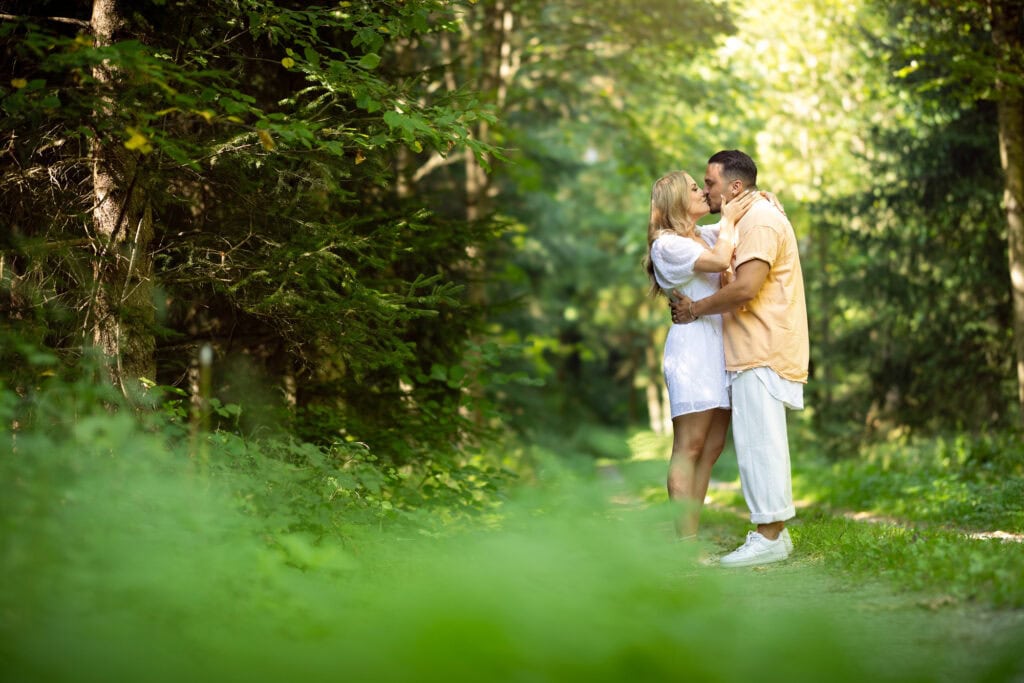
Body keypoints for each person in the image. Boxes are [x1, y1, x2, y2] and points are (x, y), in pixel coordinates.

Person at [670, 150, 809, 568]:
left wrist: (694, 309)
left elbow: (746, 288)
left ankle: (769, 536)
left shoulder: (760, 220)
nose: (705, 189)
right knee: (753, 444)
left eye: (709, 183)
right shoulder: (746, 218)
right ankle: (772, 534)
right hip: (748, 349)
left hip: (761, 347)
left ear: (734, 186)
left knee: (761, 444)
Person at [644, 170, 757, 539]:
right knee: (689, 447)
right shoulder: (667, 245)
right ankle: (685, 544)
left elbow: (741, 225)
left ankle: (690, 535)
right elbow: (722, 259)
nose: (702, 192)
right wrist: (726, 219)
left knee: (711, 448)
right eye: (694, 188)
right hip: (691, 352)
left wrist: (763, 199)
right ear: (677, 201)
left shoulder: (700, 236)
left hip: (719, 350)